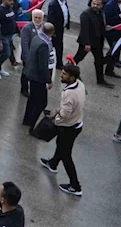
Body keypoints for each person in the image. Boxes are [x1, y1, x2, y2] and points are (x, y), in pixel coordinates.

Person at [40, 64, 86, 196]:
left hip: (68, 128)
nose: (61, 75)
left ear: (72, 77)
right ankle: (53, 163)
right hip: (77, 124)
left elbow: (65, 114)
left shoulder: (69, 94)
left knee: (66, 156)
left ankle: (75, 186)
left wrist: (57, 114)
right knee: (61, 145)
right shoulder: (80, 85)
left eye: (64, 74)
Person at [73, 0, 114, 88]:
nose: (95, 6)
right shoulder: (85, 14)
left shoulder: (101, 13)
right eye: (94, 4)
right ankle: (67, 71)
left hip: (98, 43)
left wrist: (106, 28)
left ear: (102, 5)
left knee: (99, 61)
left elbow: (100, 25)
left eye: (98, 4)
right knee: (78, 58)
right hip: (87, 43)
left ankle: (100, 80)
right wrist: (87, 43)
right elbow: (84, 30)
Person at [23, 22, 54, 133]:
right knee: (42, 102)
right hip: (38, 77)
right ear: (52, 33)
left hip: (31, 73)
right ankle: (33, 125)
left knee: (32, 98)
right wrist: (48, 80)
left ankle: (27, 119)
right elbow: (43, 66)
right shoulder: (44, 45)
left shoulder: (37, 38)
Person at [47, 0, 69, 70]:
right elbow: (50, 18)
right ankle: (57, 63)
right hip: (55, 30)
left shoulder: (64, 2)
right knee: (56, 46)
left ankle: (58, 62)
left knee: (59, 46)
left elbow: (66, 13)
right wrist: (52, 31)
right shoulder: (53, 4)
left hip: (61, 28)